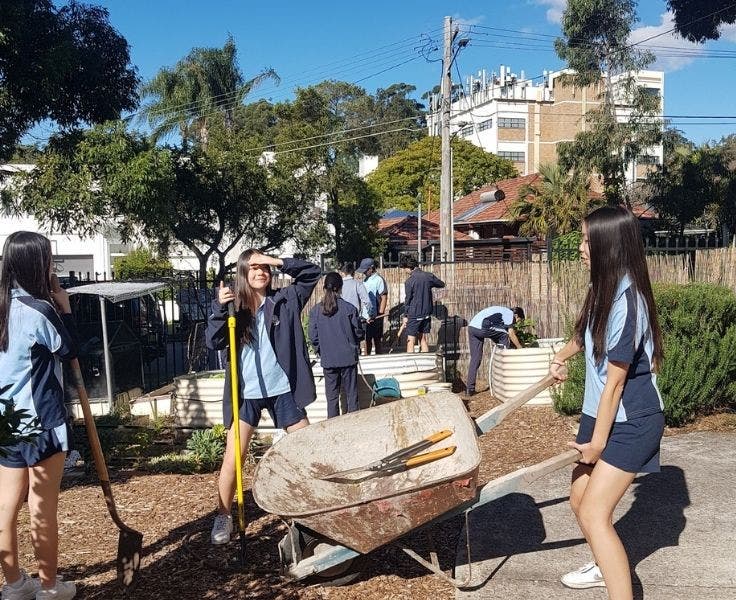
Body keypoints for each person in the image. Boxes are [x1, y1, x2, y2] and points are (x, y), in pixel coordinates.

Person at [550, 206, 665, 600]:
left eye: (586, 240)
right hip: (599, 414)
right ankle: (604, 565)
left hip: (631, 421)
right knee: (579, 499)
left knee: (595, 515)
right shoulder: (603, 286)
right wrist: (560, 358)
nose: (581, 247)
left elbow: (616, 383)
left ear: (609, 245)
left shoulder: (628, 299)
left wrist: (597, 444)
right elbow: (583, 335)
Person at [205, 251, 320, 546]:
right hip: (247, 393)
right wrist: (220, 310)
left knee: (307, 447)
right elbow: (213, 340)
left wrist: (275, 260)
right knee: (234, 455)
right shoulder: (234, 308)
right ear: (243, 273)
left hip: (282, 389)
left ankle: (317, 505)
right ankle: (223, 514)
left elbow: (311, 272)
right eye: (253, 268)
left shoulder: (286, 300)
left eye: (264, 268)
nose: (260, 272)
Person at [0, 232, 79, 600]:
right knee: (42, 506)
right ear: (37, 263)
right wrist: (64, 307)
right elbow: (69, 350)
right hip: (42, 423)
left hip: (6, 422)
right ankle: (49, 588)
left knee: (5, 506)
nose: (53, 265)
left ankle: (14, 585)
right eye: (48, 258)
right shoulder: (39, 310)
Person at [308, 273, 363, 418]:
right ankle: (356, 425)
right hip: (348, 359)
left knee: (331, 399)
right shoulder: (350, 309)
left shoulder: (315, 311)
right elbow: (358, 333)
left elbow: (313, 337)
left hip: (329, 360)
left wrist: (321, 351)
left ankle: (332, 428)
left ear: (324, 287)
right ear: (340, 288)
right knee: (352, 396)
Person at [465, 305, 524, 397]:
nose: (516, 323)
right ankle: (506, 368)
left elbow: (494, 329)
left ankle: (469, 389)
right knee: (504, 334)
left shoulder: (502, 312)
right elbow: (511, 333)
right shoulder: (509, 313)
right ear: (516, 316)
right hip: (482, 327)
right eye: (519, 320)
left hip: (472, 327)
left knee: (475, 359)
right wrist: (520, 348)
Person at [399, 256, 445, 353]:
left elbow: (408, 300)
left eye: (404, 268)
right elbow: (441, 284)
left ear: (408, 267)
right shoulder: (428, 276)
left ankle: (410, 365)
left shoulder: (409, 281)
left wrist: (405, 315)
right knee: (422, 339)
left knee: (410, 340)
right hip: (426, 313)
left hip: (414, 313)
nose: (404, 271)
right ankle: (426, 363)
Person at [356, 258, 388, 355]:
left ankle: (379, 358)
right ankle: (367, 357)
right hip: (365, 315)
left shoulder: (379, 280)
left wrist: (380, 313)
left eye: (365, 270)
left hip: (376, 315)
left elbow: (384, 297)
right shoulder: (365, 280)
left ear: (371, 268)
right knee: (367, 339)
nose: (364, 272)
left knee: (377, 339)